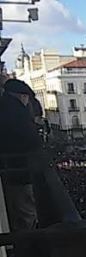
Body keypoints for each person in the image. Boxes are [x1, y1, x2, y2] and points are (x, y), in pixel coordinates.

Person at [0, 79, 42, 231]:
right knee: (25, 211)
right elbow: (31, 140)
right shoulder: (16, 113)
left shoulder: (5, 108)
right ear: (21, 96)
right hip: (18, 171)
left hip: (11, 169)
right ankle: (28, 241)